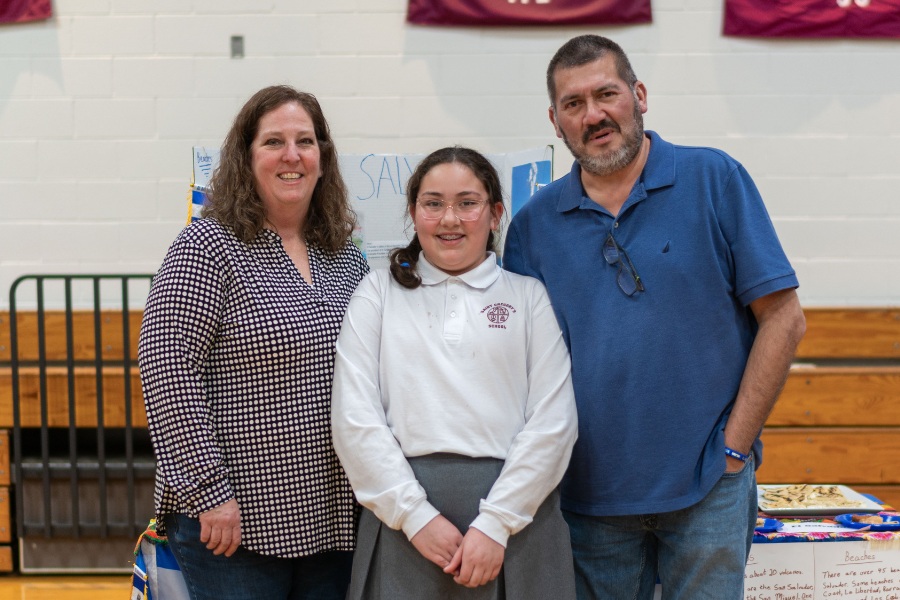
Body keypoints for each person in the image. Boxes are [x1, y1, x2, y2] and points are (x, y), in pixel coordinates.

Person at [502, 35, 807, 600]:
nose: (593, 115)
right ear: (555, 119)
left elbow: (784, 319)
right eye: (573, 104)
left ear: (639, 95)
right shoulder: (533, 227)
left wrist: (735, 449)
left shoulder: (714, 179)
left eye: (606, 94)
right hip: (588, 500)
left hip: (709, 488)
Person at [138, 85, 369, 600]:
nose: (292, 155)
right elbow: (167, 371)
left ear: (322, 158)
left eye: (305, 141)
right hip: (231, 522)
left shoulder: (343, 256)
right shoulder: (208, 245)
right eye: (274, 142)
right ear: (246, 157)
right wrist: (207, 491)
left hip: (330, 518)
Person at [331, 146, 578, 599]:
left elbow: (554, 423)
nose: (449, 219)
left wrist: (497, 523)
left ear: (496, 213)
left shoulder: (527, 297)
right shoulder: (377, 292)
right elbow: (354, 418)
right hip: (404, 521)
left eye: (467, 203)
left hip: (516, 523)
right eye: (433, 203)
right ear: (413, 212)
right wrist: (415, 516)